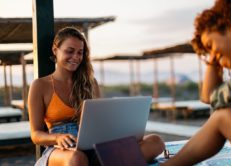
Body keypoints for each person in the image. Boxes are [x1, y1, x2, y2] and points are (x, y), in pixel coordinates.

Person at [28, 27, 165, 166]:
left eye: (80, 53)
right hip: (60, 149)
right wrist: (57, 138)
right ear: (55, 49)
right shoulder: (40, 86)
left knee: (156, 142)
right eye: (70, 51)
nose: (75, 57)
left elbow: (100, 122)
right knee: (77, 158)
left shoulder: (91, 83)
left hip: (93, 145)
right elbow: (36, 134)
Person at [161, 0, 231, 165]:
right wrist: (216, 57)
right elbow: (213, 98)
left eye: (210, 45)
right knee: (223, 116)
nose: (213, 57)